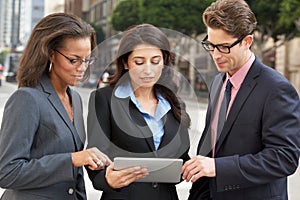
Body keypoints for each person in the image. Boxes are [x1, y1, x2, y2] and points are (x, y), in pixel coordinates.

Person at [182, 0, 300, 199]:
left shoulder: (277, 89)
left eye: (224, 47)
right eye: (211, 45)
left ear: (247, 42)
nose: (216, 55)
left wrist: (218, 167)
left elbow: (284, 158)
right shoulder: (217, 82)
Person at [0, 13, 111, 200]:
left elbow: (74, 178)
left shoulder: (74, 98)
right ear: (51, 54)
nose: (82, 68)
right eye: (73, 60)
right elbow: (7, 172)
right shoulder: (27, 99)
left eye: (87, 60)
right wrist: (73, 159)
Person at [86, 23, 191, 200]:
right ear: (125, 62)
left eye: (155, 61)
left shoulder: (174, 102)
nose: (148, 70)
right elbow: (95, 156)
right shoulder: (104, 99)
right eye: (139, 62)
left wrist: (189, 168)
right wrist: (107, 178)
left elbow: (182, 157)